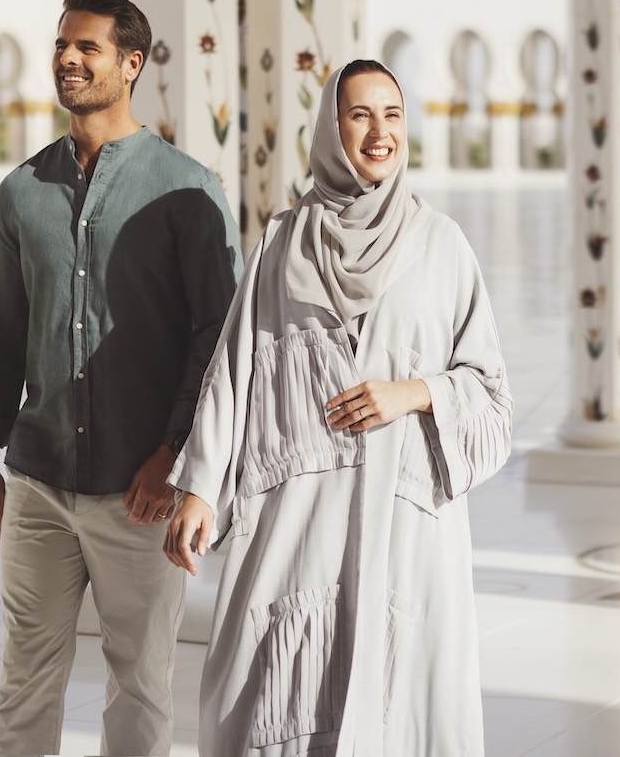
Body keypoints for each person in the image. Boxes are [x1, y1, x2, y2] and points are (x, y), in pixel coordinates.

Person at [165, 59, 513, 757]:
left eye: (392, 115)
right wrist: (201, 488)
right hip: (301, 511)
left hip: (403, 510)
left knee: (397, 696)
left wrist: (413, 393)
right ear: (330, 129)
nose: (379, 132)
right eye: (359, 115)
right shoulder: (282, 242)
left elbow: (492, 396)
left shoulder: (442, 246)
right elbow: (236, 368)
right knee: (277, 687)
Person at [0, 0, 241, 757]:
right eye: (61, 45)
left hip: (139, 495)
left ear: (131, 64)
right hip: (40, 481)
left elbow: (217, 340)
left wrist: (171, 458)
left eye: (87, 47)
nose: (68, 60)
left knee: (142, 684)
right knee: (25, 675)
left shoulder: (188, 190)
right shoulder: (23, 192)